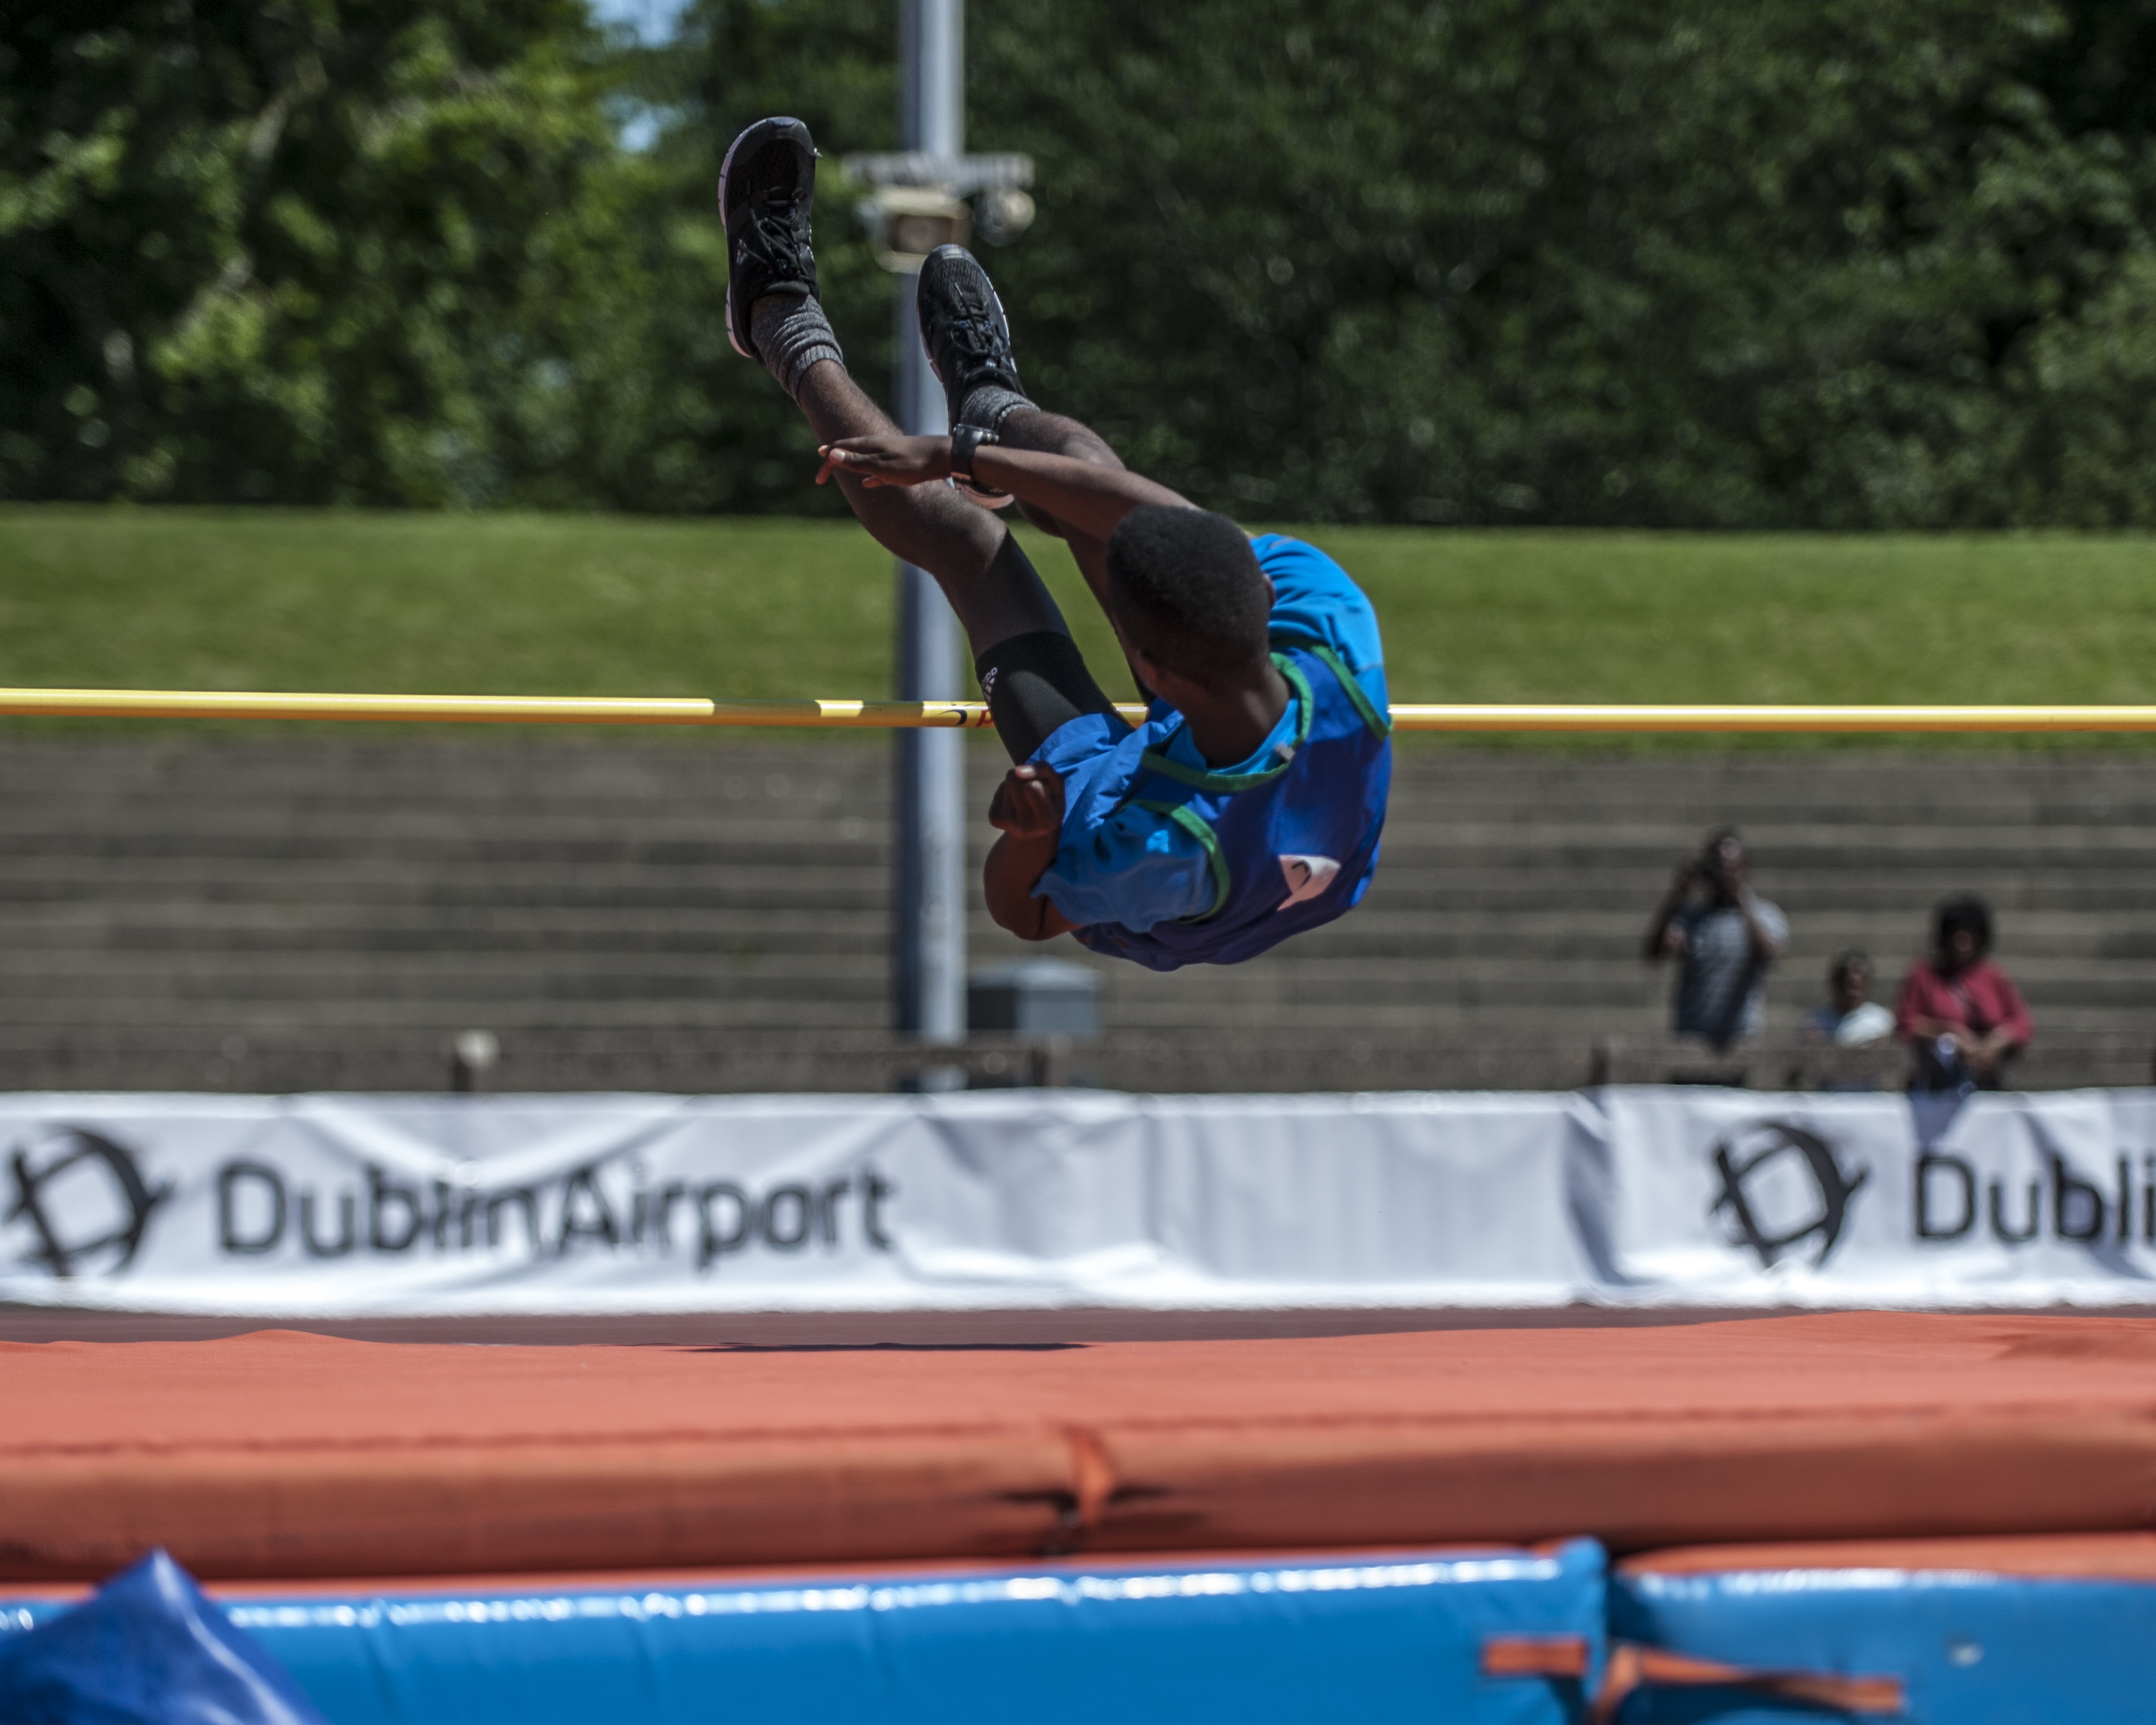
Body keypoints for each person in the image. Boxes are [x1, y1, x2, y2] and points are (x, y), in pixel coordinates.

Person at [719, 118, 1390, 970]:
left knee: (968, 539)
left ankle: (776, 317)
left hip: (1186, 856)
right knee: (1079, 470)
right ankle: (992, 402)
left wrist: (1029, 837)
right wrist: (964, 450)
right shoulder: (1328, 620)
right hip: (1246, 793)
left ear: (1149, 671)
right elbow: (1154, 514)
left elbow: (1025, 915)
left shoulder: (1148, 849)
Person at [1643, 827, 1787, 1051]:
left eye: (1732, 867)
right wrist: (1678, 896)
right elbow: (1656, 952)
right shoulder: (1692, 918)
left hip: (1739, 1039)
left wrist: (1741, 900)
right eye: (1719, 867)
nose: (1725, 874)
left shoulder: (1765, 915)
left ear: (1745, 869)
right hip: (1691, 1038)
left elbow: (1770, 954)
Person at [1895, 895, 2032, 1091]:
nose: (1963, 943)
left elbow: (2021, 1022)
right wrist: (1950, 1032)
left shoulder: (1993, 976)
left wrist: (1996, 1043)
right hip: (1938, 1084)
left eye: (1970, 936)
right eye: (1957, 935)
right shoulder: (1924, 975)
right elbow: (1906, 1022)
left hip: (1986, 1081)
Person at [1805, 951, 1895, 1046]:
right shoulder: (1817, 1023)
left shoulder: (1882, 1021)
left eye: (1856, 987)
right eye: (1847, 985)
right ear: (1835, 984)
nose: (1852, 994)